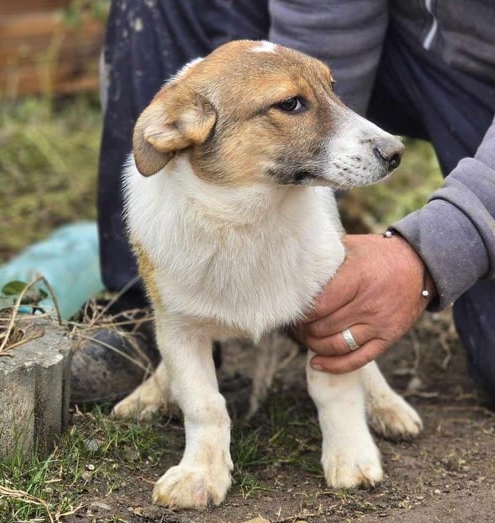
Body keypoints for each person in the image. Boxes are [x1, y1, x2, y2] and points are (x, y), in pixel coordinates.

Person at [96, 1, 495, 402]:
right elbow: (317, 31)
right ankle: (149, 317)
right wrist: (303, 153)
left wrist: (432, 252)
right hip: (398, 34)